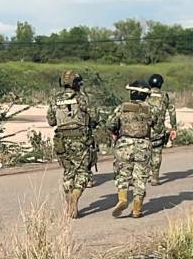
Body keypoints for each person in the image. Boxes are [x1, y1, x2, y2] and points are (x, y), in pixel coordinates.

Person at [47, 70, 98, 218]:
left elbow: (51, 121)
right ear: (76, 84)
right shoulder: (83, 98)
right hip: (80, 140)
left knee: (68, 172)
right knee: (83, 172)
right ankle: (75, 196)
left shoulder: (55, 100)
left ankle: (69, 198)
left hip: (62, 141)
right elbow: (95, 117)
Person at [108, 81, 157, 218]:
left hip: (125, 144)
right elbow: (155, 124)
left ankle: (123, 199)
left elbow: (110, 124)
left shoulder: (122, 108)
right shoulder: (150, 109)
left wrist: (116, 131)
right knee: (140, 177)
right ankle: (137, 209)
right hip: (143, 145)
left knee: (122, 174)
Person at [146, 73, 177, 186]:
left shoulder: (145, 95)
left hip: (145, 129)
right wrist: (174, 127)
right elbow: (172, 111)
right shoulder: (164, 96)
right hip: (158, 130)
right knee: (157, 153)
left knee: (144, 152)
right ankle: (155, 177)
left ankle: (145, 174)